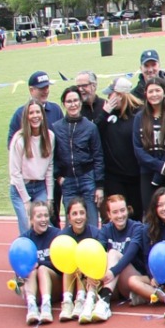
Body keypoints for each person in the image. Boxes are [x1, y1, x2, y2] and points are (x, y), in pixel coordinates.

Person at [95, 192, 158, 312]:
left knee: (113, 253)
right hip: (114, 282)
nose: (120, 215)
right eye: (115, 212)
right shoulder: (105, 230)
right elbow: (98, 252)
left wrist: (113, 271)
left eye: (122, 210)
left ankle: (104, 301)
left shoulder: (137, 228)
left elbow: (130, 253)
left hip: (133, 278)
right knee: (107, 256)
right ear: (108, 214)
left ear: (127, 210)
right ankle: (92, 299)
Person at [54, 85, 105, 230]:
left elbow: (98, 157)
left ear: (80, 102)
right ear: (64, 104)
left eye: (75, 100)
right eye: (69, 101)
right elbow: (53, 156)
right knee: (71, 226)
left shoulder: (90, 127)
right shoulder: (56, 128)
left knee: (92, 223)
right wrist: (58, 176)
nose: (73, 104)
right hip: (68, 182)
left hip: (87, 179)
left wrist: (99, 186)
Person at [97, 76, 143, 213]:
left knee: (135, 214)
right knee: (117, 213)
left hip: (135, 176)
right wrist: (105, 113)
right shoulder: (106, 114)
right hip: (114, 177)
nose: (109, 98)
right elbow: (95, 132)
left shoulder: (138, 113)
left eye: (112, 95)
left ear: (121, 96)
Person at [8, 97, 55, 230]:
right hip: (21, 188)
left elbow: (49, 168)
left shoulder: (50, 137)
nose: (35, 116)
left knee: (44, 225)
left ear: (42, 115)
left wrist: (50, 198)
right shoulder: (19, 139)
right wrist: (26, 201)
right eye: (31, 113)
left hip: (40, 187)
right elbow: (15, 173)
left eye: (38, 112)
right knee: (27, 226)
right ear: (26, 117)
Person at [133, 79, 165, 214]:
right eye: (151, 91)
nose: (154, 94)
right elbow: (138, 149)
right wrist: (157, 166)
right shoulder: (139, 117)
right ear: (146, 94)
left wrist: (164, 166)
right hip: (147, 173)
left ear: (164, 93)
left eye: (158, 90)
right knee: (151, 212)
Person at [17, 200, 59, 324]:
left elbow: (61, 266)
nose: (43, 219)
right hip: (34, 287)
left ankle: (46, 307)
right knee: (31, 270)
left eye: (46, 215)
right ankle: (32, 306)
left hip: (54, 285)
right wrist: (19, 284)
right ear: (31, 220)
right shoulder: (24, 240)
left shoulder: (57, 235)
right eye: (39, 216)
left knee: (40, 268)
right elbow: (19, 269)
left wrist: (41, 264)